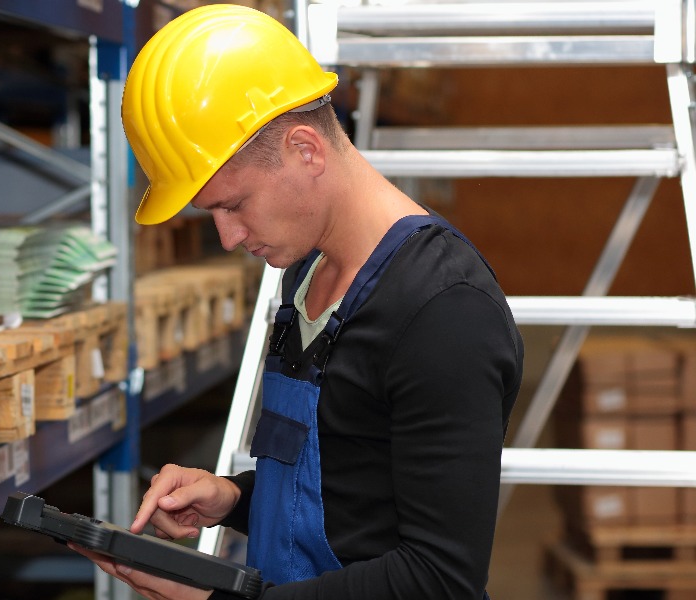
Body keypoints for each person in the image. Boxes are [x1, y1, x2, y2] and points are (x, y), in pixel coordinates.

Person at [70, 4, 525, 599]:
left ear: (306, 150)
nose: (229, 238)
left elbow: (440, 579)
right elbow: (351, 484)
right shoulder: (306, 271)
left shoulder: (444, 314)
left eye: (232, 205)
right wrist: (234, 498)